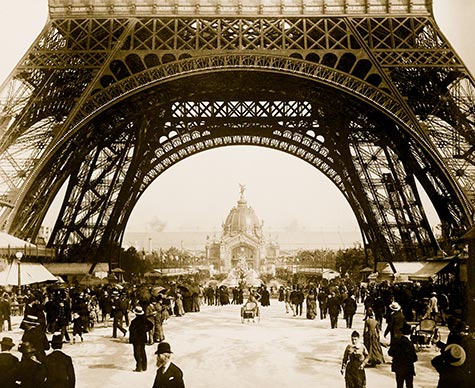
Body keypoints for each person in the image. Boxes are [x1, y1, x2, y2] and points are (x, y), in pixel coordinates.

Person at [387, 322, 418, 388]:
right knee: (409, 385)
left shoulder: (397, 341)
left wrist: (397, 356)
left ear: (402, 332)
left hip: (398, 367)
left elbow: (390, 352)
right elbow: (414, 358)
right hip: (408, 367)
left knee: (399, 385)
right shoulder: (410, 344)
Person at [129, 306, 153, 372]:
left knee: (137, 353)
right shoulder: (144, 320)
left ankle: (139, 367)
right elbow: (151, 325)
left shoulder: (134, 321)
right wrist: (145, 330)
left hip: (136, 339)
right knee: (142, 352)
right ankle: (144, 366)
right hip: (143, 338)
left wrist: (131, 339)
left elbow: (131, 330)